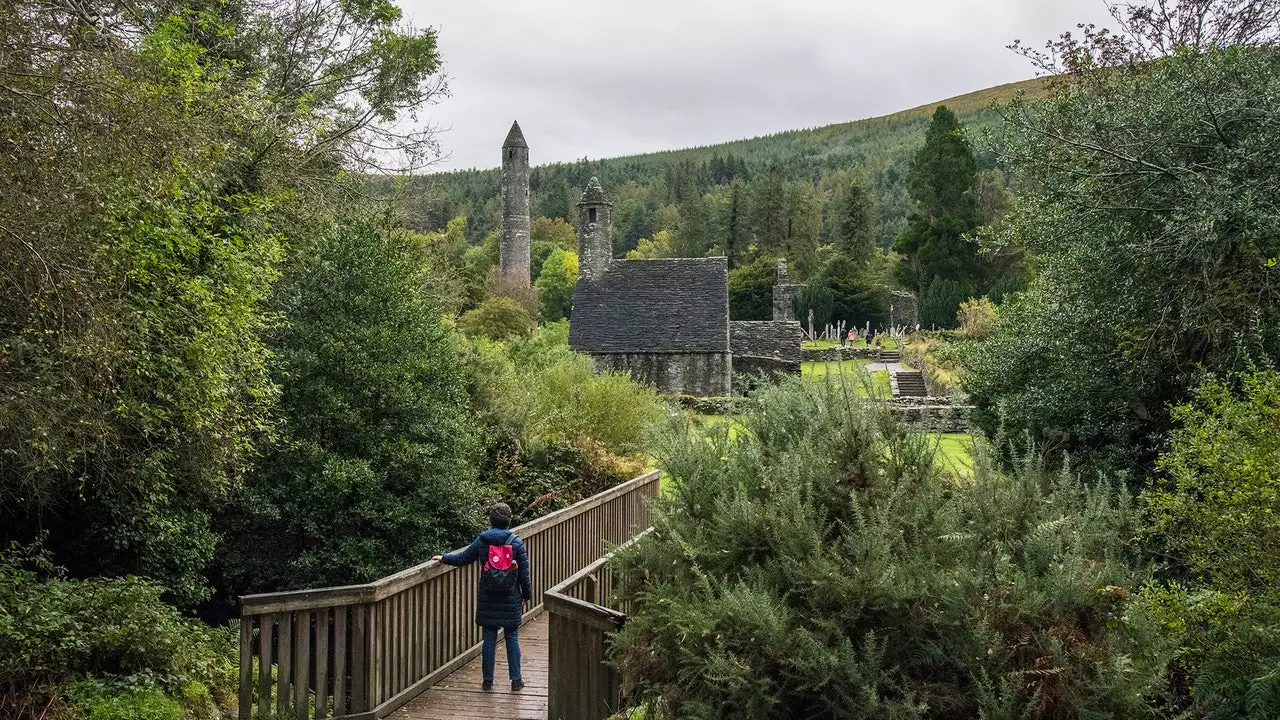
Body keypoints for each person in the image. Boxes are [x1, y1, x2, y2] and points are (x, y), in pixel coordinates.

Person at [432, 503, 532, 691]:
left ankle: (487, 680)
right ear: (509, 520)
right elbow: (524, 576)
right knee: (512, 636)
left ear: (491, 520)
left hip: (488, 596)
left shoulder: (483, 540)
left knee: (489, 637)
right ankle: (516, 680)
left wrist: (444, 558)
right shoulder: (516, 542)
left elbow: (463, 558)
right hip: (510, 597)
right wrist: (526, 596)